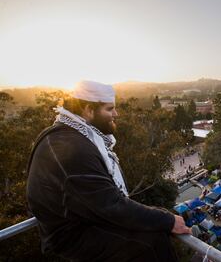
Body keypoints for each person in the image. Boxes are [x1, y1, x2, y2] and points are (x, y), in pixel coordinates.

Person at [27, 81, 190, 261]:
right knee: (152, 242)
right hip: (69, 238)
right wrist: (167, 220)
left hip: (78, 221)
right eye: (109, 109)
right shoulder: (72, 148)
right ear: (89, 110)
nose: (116, 114)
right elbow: (109, 204)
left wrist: (160, 216)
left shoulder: (67, 135)